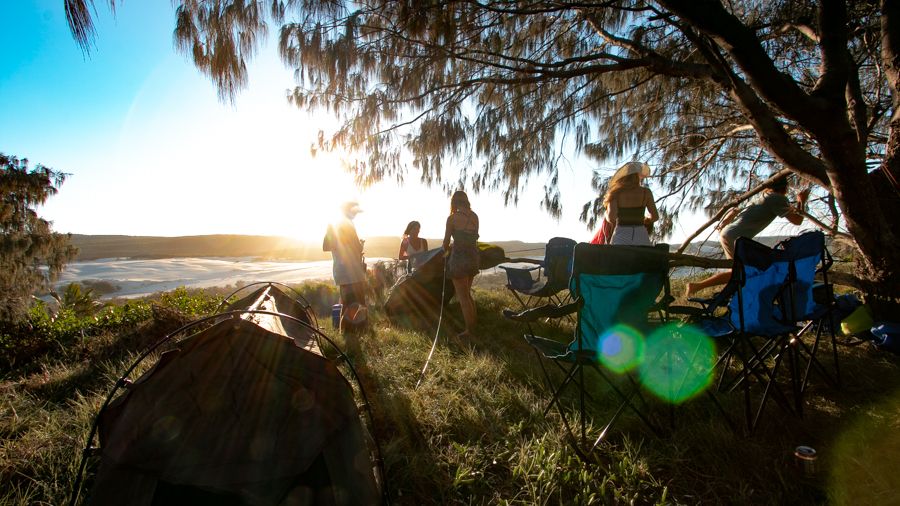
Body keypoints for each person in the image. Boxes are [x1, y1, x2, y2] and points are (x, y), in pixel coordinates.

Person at [685, 175, 810, 297]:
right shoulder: (776, 198)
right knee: (740, 271)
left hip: (731, 234)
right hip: (735, 237)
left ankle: (727, 294)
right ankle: (699, 287)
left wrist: (725, 222)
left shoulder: (763, 196)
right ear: (785, 186)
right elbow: (797, 220)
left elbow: (737, 210)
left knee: (741, 270)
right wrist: (802, 201)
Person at [323, 201, 368, 331]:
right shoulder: (336, 224)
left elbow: (354, 248)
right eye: (354, 211)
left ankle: (357, 332)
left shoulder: (345, 224)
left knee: (355, 303)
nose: (355, 214)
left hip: (351, 271)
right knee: (352, 304)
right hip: (346, 272)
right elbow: (326, 246)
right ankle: (350, 333)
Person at [442, 190, 479, 338]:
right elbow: (472, 238)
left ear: (454, 202)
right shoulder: (475, 216)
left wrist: (446, 250)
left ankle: (470, 331)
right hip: (473, 257)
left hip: (459, 258)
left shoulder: (452, 218)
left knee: (463, 298)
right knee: (467, 295)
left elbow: (445, 243)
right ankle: (474, 326)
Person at [605, 161, 659, 245]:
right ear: (638, 175)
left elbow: (612, 218)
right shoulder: (646, 192)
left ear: (623, 176)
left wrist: (606, 215)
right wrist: (646, 220)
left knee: (617, 257)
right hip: (641, 234)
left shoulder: (615, 193)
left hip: (621, 235)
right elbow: (655, 217)